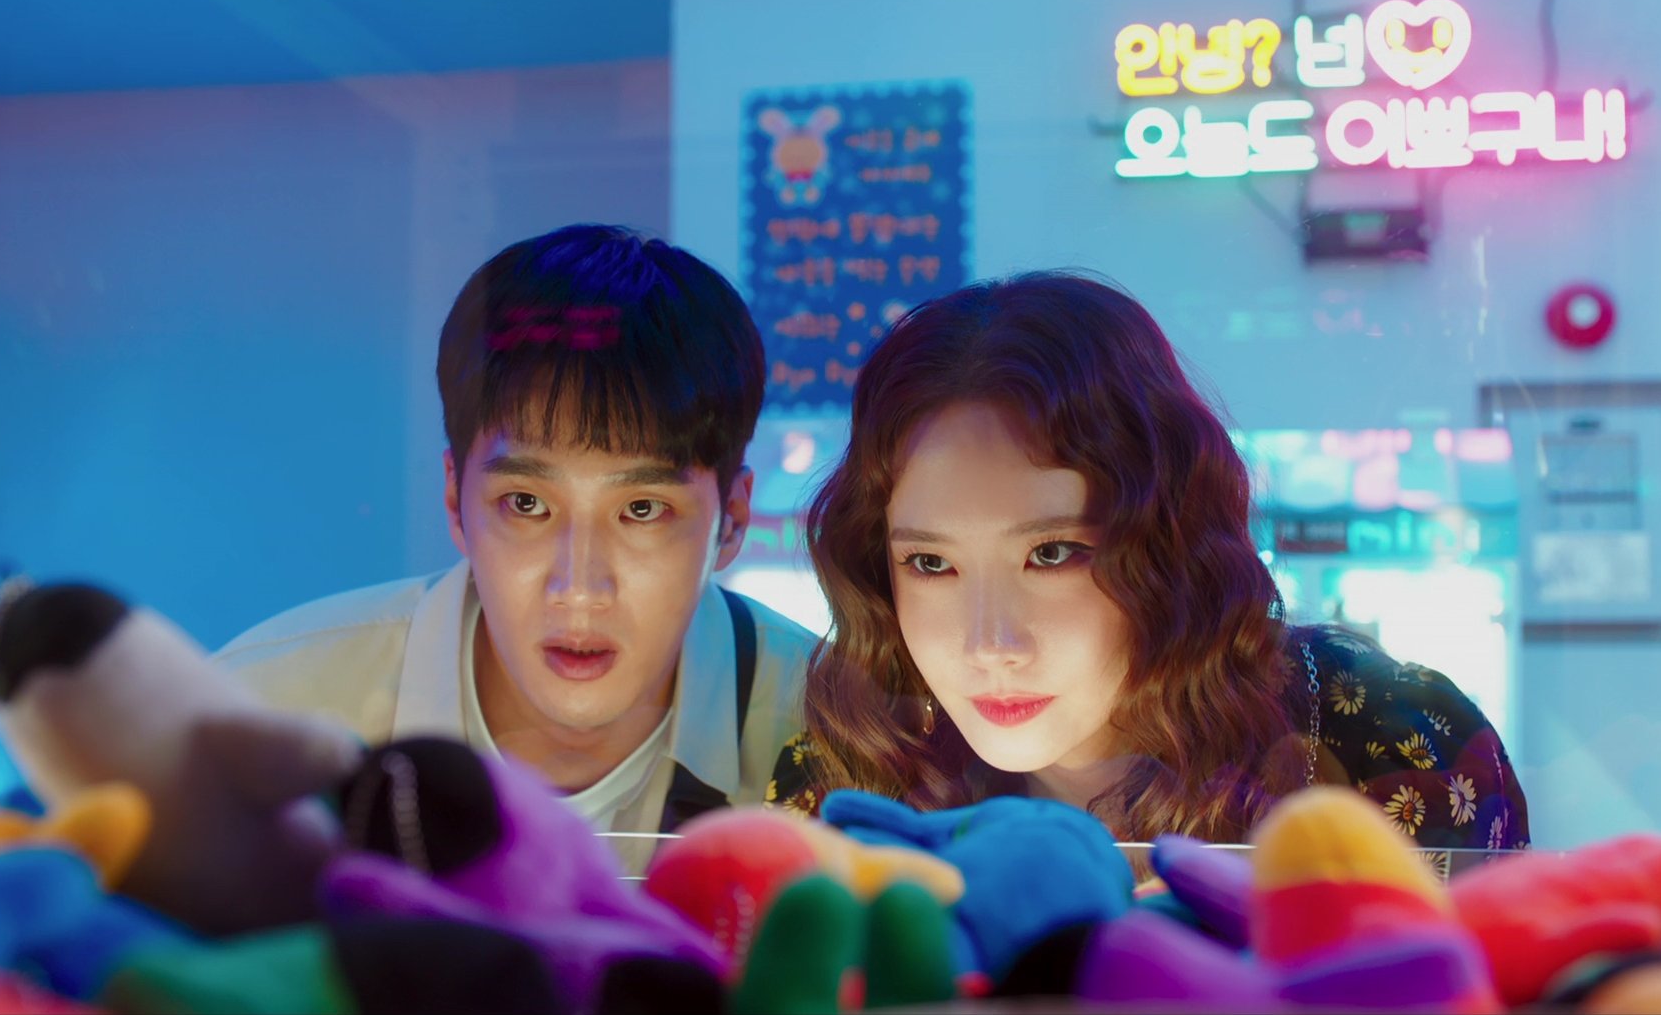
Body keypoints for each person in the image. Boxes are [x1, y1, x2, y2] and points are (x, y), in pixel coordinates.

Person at [768, 272, 1529, 863]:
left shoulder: (1382, 736)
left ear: (1167, 542)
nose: (989, 644)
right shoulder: (850, 777)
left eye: (1052, 554)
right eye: (931, 563)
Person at [217, 225, 819, 872]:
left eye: (642, 510)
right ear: (456, 500)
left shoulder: (843, 735)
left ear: (732, 521)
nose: (579, 588)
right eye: (527, 504)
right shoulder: (266, 715)